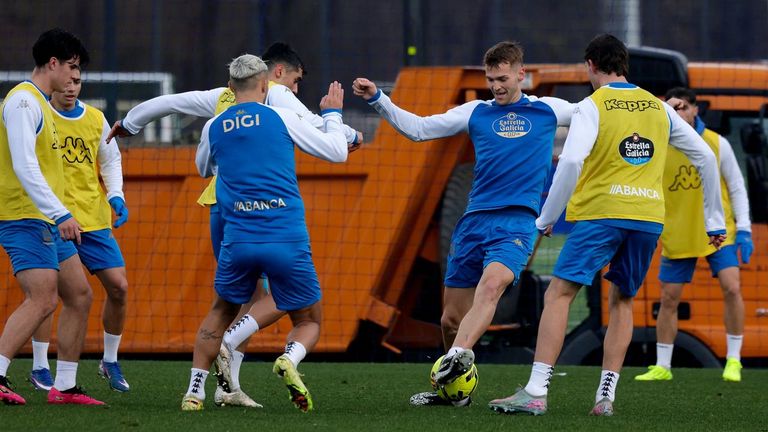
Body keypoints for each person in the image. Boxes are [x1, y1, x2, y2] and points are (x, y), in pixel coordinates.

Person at [106, 42, 361, 407]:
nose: (295, 89)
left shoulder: (216, 115)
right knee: (296, 309)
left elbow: (172, 107)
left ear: (231, 84)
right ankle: (241, 357)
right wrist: (347, 130)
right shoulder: (280, 103)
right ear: (270, 79)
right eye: (295, 80)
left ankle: (209, 389)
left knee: (230, 302)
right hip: (277, 223)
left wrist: (129, 124)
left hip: (228, 215)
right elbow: (321, 131)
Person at [487, 34, 726, 417]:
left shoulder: (591, 105)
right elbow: (705, 158)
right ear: (624, 65)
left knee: (559, 294)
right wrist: (715, 219)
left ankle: (535, 391)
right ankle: (605, 398)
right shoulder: (659, 107)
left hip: (603, 214)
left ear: (590, 66)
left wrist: (547, 216)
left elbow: (569, 162)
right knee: (623, 301)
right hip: (648, 220)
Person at [352, 41, 576, 407]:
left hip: (517, 223)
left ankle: (456, 356)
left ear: (521, 74)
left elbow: (596, 114)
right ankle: (453, 393)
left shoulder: (549, 110)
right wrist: (379, 98)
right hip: (472, 223)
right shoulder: (475, 111)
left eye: (503, 79)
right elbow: (420, 129)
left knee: (491, 287)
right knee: (450, 319)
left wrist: (643, 108)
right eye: (491, 80)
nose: (497, 86)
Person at [182, 53, 348, 412]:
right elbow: (337, 152)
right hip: (285, 236)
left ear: (230, 87)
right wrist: (333, 114)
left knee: (221, 309)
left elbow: (201, 168)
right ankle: (287, 357)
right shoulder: (281, 117)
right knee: (309, 317)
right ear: (264, 86)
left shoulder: (215, 126)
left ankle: (194, 392)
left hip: (238, 237)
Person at [0, 28, 104, 406]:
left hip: (45, 219)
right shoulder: (24, 103)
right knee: (42, 299)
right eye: (72, 68)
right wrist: (61, 212)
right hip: (24, 216)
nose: (75, 78)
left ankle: (64, 387)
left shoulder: (43, 104)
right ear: (53, 63)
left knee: (79, 295)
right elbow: (26, 166)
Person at [635, 87, 752, 383]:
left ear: (696, 109)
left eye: (683, 107)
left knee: (732, 288)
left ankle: (734, 360)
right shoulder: (659, 146)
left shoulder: (716, 143)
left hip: (719, 232)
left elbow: (737, 187)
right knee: (669, 298)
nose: (677, 113)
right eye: (671, 108)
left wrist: (745, 229)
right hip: (678, 232)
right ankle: (663, 365)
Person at [27, 68, 131, 393]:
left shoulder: (96, 119)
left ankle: (109, 360)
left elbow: (110, 160)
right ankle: (40, 365)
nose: (72, 87)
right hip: (54, 220)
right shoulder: (38, 115)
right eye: (68, 80)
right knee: (48, 294)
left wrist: (116, 195)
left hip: (94, 220)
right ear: (54, 78)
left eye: (78, 81)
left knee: (119, 287)